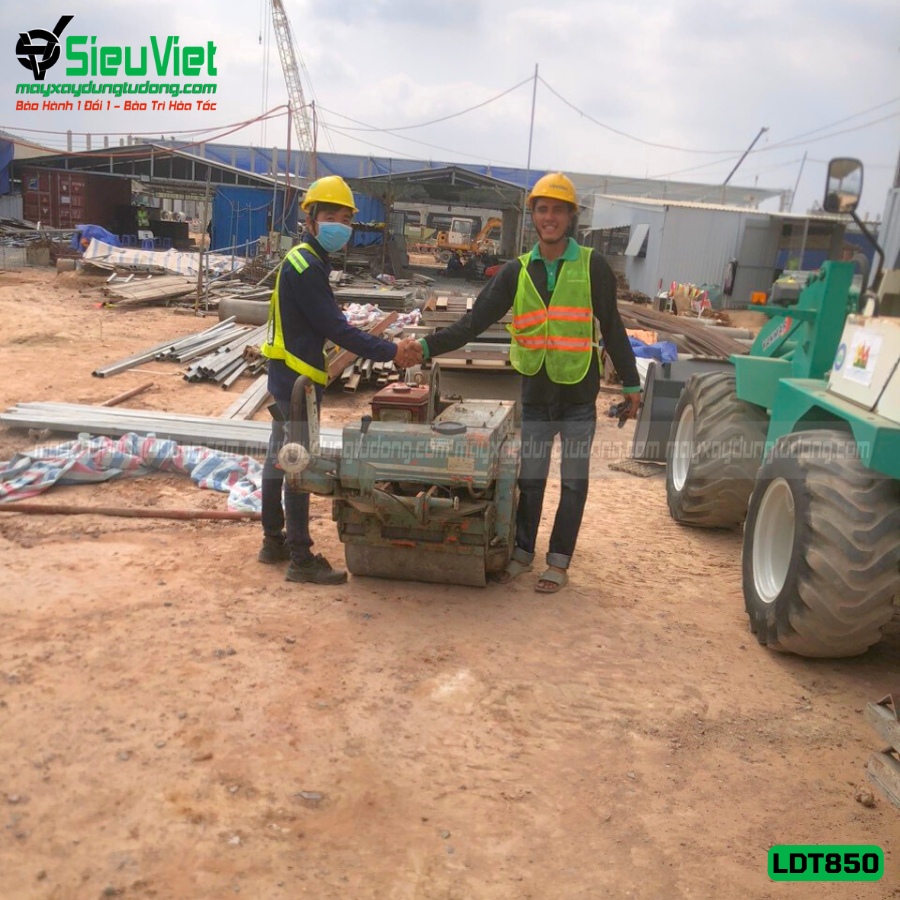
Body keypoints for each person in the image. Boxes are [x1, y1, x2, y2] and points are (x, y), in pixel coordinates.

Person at [406, 172, 641, 593]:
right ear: (533, 216)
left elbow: (613, 326)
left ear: (570, 217)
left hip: (578, 396)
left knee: (573, 483)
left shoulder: (593, 266)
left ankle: (559, 562)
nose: (549, 217)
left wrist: (631, 384)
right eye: (542, 210)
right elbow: (473, 323)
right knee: (530, 480)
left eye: (558, 210)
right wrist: (425, 347)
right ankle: (522, 553)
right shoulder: (516, 272)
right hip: (536, 394)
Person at [259, 175, 420, 585]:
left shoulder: (305, 260)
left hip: (285, 375)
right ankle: (300, 558)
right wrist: (391, 351)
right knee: (297, 464)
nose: (340, 226)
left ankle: (273, 541)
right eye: (331, 216)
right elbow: (336, 328)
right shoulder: (307, 266)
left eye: (346, 219)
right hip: (297, 380)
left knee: (279, 457)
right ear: (310, 220)